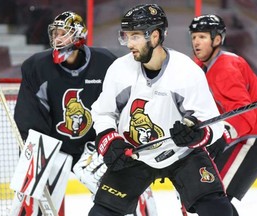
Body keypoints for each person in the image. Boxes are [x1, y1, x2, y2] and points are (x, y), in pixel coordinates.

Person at [90, 4, 233, 216]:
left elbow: (214, 124)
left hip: (182, 154)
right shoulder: (120, 70)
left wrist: (196, 134)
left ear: (155, 36)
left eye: (135, 36)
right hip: (135, 154)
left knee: (219, 211)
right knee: (101, 214)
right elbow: (103, 112)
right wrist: (110, 141)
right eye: (126, 36)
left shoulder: (186, 72)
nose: (129, 43)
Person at [14, 11, 156, 216]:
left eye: (64, 33)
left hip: (93, 148)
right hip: (52, 149)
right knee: (30, 204)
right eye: (55, 33)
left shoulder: (105, 62)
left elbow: (122, 108)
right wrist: (35, 156)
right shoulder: (37, 67)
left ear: (79, 36)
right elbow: (29, 118)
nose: (58, 38)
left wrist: (112, 143)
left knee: (127, 194)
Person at [189, 14, 257, 216]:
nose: (196, 42)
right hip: (245, 132)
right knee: (209, 192)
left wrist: (223, 137)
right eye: (194, 37)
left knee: (214, 194)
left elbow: (244, 114)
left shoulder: (225, 68)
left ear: (217, 39)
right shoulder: (201, 67)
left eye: (202, 37)